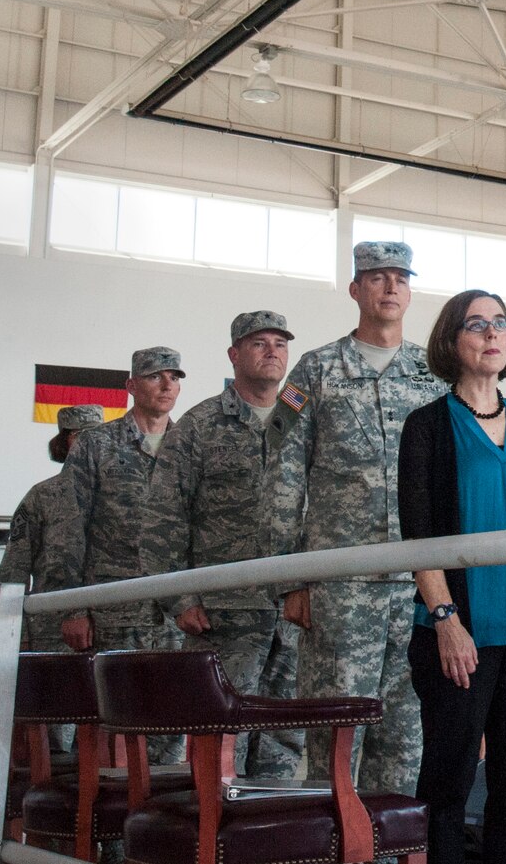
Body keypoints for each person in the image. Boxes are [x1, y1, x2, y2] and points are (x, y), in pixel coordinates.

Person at [280, 241, 448, 796]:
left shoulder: (433, 373)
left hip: (418, 586)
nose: (391, 287)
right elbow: (282, 476)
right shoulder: (318, 368)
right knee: (336, 732)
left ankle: (389, 850)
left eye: (401, 277)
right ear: (355, 289)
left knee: (406, 738)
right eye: (377, 278)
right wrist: (291, 579)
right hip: (340, 585)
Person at [397, 290, 506, 864]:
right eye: (476, 324)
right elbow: (421, 533)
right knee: (448, 784)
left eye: (500, 324)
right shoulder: (429, 426)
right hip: (458, 631)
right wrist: (445, 620)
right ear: (452, 342)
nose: (492, 334)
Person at [140, 312, 309, 778]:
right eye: (259, 343)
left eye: (280, 343)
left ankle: (272, 837)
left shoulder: (302, 413)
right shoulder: (199, 425)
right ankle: (214, 840)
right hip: (225, 613)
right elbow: (162, 520)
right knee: (221, 736)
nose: (272, 350)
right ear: (234, 354)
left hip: (294, 612)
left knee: (285, 738)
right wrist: (179, 599)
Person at [57, 347, 187, 763]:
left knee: (171, 726)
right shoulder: (97, 443)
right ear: (131, 386)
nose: (167, 385)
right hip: (114, 611)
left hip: (175, 613)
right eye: (155, 376)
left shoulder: (190, 444)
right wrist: (73, 606)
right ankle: (108, 824)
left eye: (174, 377)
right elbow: (69, 526)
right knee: (110, 725)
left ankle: (163, 824)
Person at [0, 404, 105, 651]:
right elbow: (14, 570)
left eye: (97, 436)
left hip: (111, 628)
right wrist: (15, 635)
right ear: (65, 441)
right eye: (81, 436)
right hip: (53, 633)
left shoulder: (121, 493)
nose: (91, 444)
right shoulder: (42, 496)